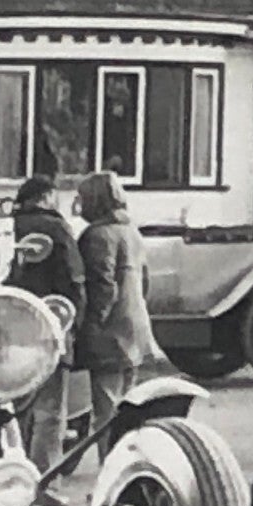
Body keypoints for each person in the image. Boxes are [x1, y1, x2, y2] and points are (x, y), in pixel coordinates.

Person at [7, 173, 86, 503]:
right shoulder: (57, 228)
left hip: (9, 330)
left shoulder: (6, 226)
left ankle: (9, 478)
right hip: (49, 328)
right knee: (50, 412)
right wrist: (73, 324)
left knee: (12, 409)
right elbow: (73, 279)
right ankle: (44, 483)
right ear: (45, 196)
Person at [75, 170, 157, 460]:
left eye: (82, 198)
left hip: (110, 333)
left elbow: (103, 286)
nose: (79, 204)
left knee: (106, 412)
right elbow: (144, 281)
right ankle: (128, 464)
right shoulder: (132, 232)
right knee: (128, 408)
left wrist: (91, 325)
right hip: (135, 326)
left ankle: (110, 469)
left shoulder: (96, 236)